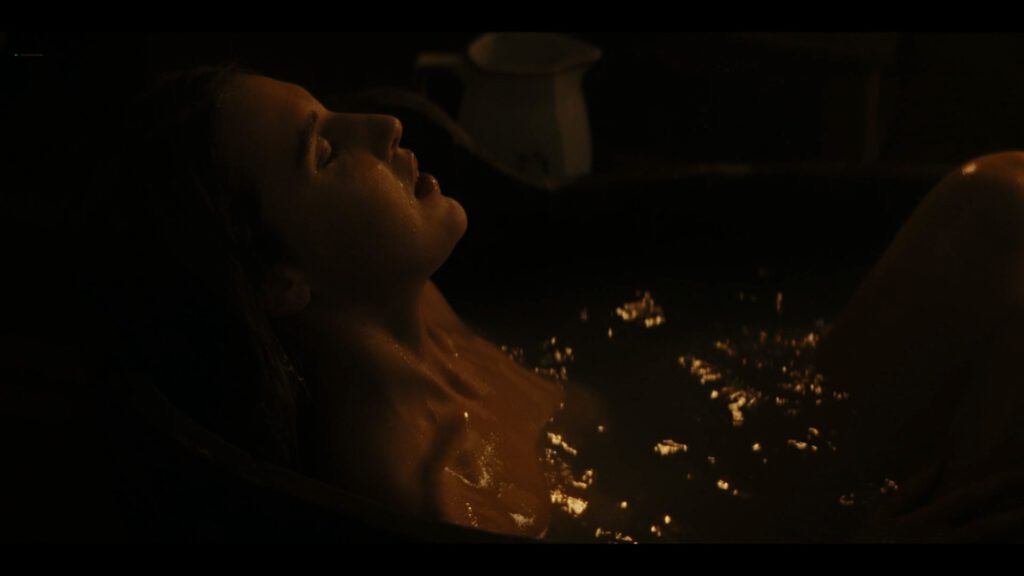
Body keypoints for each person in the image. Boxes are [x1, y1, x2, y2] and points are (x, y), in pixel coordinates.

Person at [94, 63, 1024, 541]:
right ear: (283, 283)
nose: (380, 125)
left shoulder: (416, 311)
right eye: (325, 151)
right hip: (807, 514)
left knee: (998, 196)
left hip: (764, 433)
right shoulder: (430, 486)